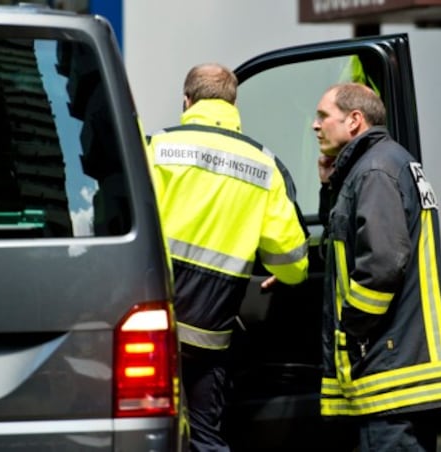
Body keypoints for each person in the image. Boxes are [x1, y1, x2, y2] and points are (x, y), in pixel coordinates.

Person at [145, 63, 309, 452]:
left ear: (187, 101)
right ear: (234, 103)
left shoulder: (158, 148)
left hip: (155, 326)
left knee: (148, 433)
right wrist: (280, 275)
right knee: (205, 436)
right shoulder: (263, 166)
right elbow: (293, 261)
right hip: (210, 336)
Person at [313, 82, 441, 452]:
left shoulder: (374, 171)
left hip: (389, 373)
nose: (315, 126)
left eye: (323, 116)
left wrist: (350, 329)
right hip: (399, 370)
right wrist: (330, 186)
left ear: (355, 120)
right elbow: (346, 250)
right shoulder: (387, 163)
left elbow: (382, 264)